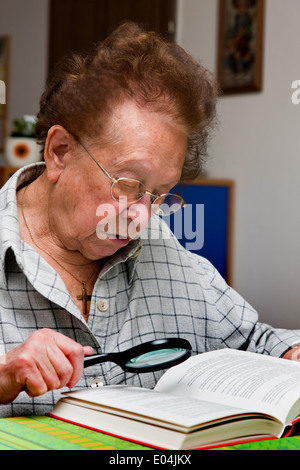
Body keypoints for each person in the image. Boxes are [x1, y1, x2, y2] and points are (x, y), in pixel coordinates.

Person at [0, 22, 299, 418]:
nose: (142, 216)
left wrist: (291, 351)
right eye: (128, 183)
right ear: (59, 151)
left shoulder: (165, 251)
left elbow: (259, 343)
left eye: (160, 194)